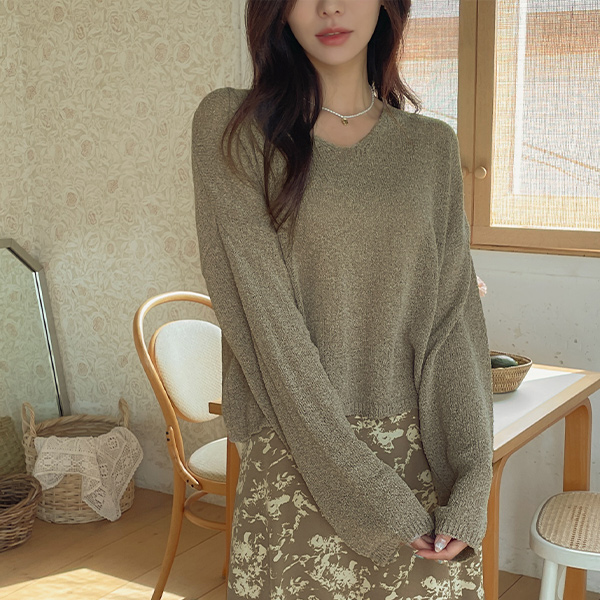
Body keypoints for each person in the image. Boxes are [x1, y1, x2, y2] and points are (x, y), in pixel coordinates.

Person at [191, 0, 494, 598]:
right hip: (298, 450)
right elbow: (265, 323)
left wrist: (471, 483)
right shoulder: (232, 125)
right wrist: (368, 490)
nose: (330, 6)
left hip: (418, 461)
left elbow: (453, 322)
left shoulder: (430, 146)